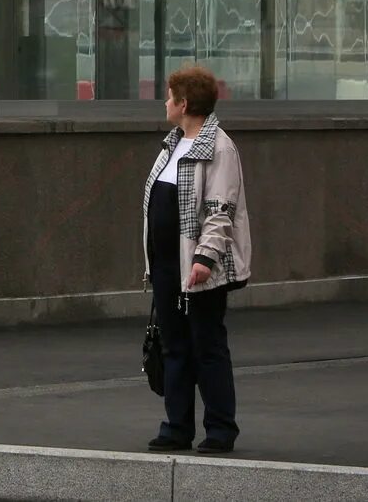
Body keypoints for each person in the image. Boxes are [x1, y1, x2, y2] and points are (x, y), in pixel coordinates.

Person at [143, 65, 251, 455]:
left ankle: (220, 430)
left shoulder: (219, 148)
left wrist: (204, 258)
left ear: (184, 103)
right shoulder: (173, 144)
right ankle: (177, 427)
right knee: (174, 346)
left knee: (207, 346)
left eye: (170, 97)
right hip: (168, 265)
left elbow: (220, 209)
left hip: (199, 266)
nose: (166, 103)